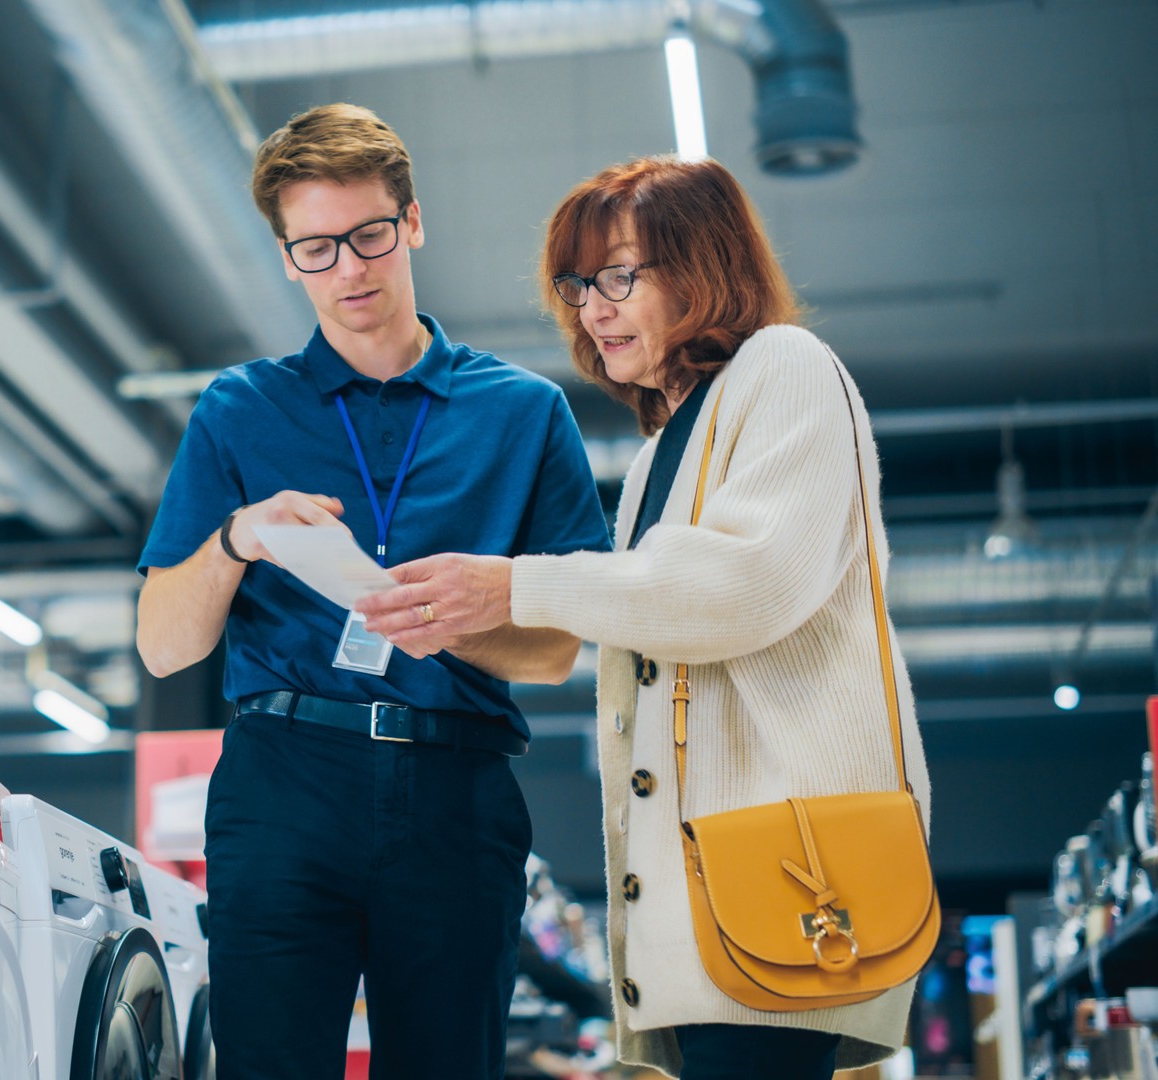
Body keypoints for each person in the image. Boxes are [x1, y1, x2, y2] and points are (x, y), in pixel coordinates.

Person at [353, 156, 933, 1080]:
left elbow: (745, 586)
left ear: (705, 268)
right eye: (578, 285)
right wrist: (460, 617)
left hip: (787, 876)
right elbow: (658, 611)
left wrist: (516, 584)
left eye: (620, 276)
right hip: (723, 900)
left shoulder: (785, 367)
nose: (593, 308)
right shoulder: (668, 442)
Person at [134, 103, 612, 1079]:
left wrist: (458, 622)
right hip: (283, 780)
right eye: (315, 248)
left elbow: (558, 651)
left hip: (456, 787)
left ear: (414, 223)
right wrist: (238, 537)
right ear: (286, 257)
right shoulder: (239, 410)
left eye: (368, 236)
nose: (348, 269)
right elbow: (163, 647)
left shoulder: (524, 415)